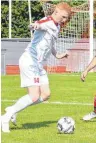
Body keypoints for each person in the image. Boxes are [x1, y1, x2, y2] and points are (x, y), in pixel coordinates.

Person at [1, 2, 72, 133]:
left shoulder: (57, 26)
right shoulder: (47, 21)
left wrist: (58, 55)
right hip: (30, 61)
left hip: (38, 64)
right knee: (34, 96)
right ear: (56, 12)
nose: (65, 20)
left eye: (66, 18)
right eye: (64, 17)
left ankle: (14, 109)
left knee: (45, 95)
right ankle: (5, 117)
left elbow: (50, 44)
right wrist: (35, 25)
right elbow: (40, 25)